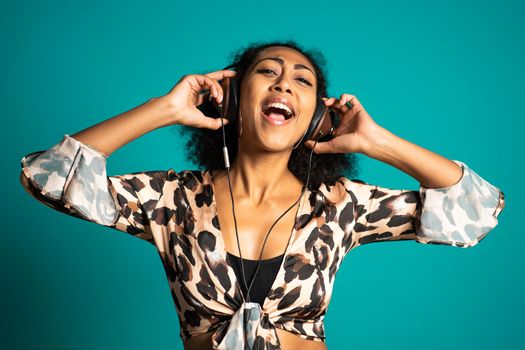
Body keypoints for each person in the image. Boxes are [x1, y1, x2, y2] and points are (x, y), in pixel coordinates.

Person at [19, 40, 505, 350]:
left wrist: (376, 141)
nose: (284, 84)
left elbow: (475, 210)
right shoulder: (172, 198)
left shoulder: (341, 205)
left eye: (302, 80)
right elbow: (46, 177)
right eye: (266, 72)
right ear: (231, 98)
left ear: (317, 114)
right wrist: (163, 109)